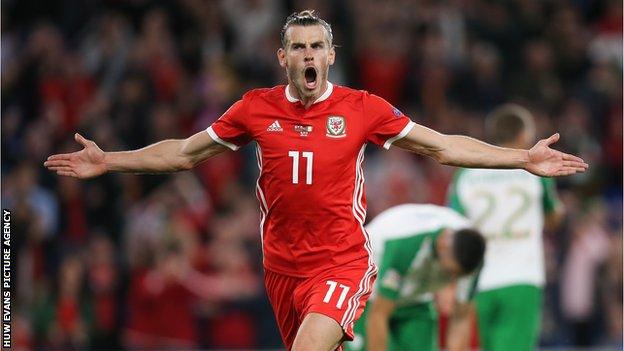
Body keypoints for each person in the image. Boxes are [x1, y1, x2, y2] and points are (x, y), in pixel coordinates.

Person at [44, 10, 587, 351]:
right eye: (298, 47)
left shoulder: (362, 109)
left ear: (331, 55)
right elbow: (184, 155)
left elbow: (444, 147)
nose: (308, 55)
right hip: (281, 267)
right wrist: (109, 160)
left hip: (341, 260)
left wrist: (521, 159)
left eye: (316, 47)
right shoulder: (254, 109)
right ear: (283, 57)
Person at [446, 103, 566, 351]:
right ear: (524, 135)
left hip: (477, 283)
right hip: (521, 278)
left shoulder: (466, 173)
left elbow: (452, 226)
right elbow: (553, 217)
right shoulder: (534, 171)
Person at [344, 204, 485, 351]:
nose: (451, 280)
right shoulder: (406, 244)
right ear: (443, 245)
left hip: (416, 297)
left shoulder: (473, 255)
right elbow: (378, 315)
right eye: (448, 273)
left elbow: (461, 317)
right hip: (368, 290)